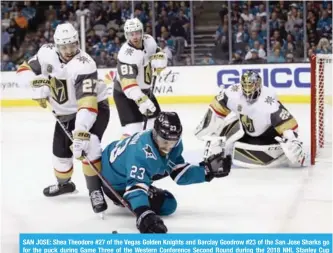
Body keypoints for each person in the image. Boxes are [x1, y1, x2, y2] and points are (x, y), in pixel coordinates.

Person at [83, 111, 232, 233]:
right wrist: (143, 213)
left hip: (122, 164)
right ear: (155, 133)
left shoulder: (172, 143)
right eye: (164, 141)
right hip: (113, 183)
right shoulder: (141, 153)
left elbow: (178, 172)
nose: (168, 147)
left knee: (166, 192)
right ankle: (111, 196)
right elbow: (135, 188)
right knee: (168, 204)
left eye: (172, 142)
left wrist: (207, 171)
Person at [16, 23, 110, 214]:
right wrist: (35, 85)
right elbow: (23, 70)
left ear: (78, 42)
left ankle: (95, 190)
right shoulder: (46, 53)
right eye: (64, 47)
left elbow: (87, 102)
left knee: (88, 145)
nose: (68, 51)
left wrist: (81, 131)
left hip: (93, 109)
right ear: (56, 45)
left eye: (72, 45)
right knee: (60, 159)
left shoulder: (85, 64)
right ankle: (64, 185)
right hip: (64, 113)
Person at [195, 70, 306, 168]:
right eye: (246, 85)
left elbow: (288, 124)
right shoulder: (233, 92)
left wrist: (291, 140)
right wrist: (209, 126)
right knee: (226, 126)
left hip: (267, 136)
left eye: (251, 85)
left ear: (258, 85)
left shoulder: (269, 102)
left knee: (239, 156)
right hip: (245, 131)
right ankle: (218, 150)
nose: (248, 89)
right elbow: (217, 107)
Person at [113, 18, 168, 139]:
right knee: (134, 130)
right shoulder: (125, 54)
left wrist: (161, 58)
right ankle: (124, 154)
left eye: (137, 32)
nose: (135, 37)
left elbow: (158, 52)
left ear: (142, 32)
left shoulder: (149, 41)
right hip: (125, 94)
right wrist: (141, 100)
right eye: (131, 34)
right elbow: (128, 84)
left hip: (145, 91)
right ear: (126, 35)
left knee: (156, 126)